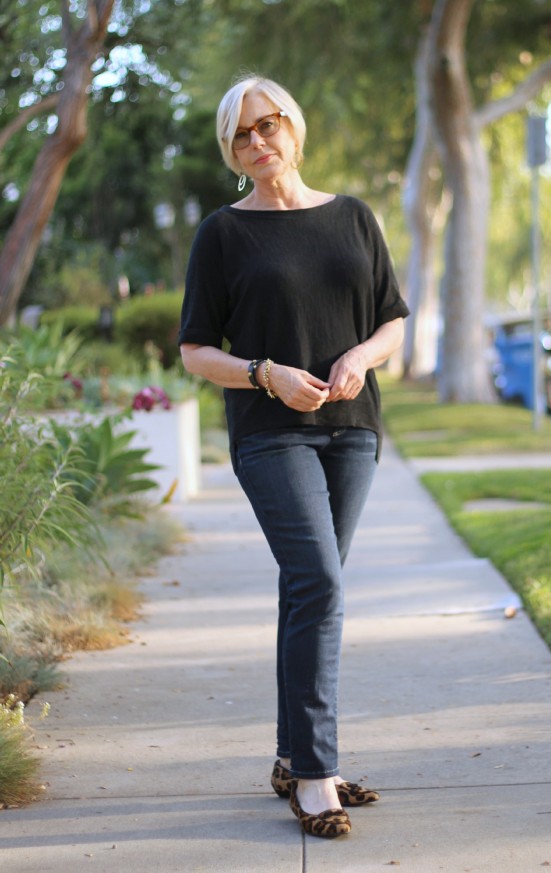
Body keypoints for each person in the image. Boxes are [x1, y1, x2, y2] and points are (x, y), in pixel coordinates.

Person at [179, 75, 409, 840]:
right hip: (269, 431)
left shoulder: (352, 218)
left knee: (308, 590)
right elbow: (195, 351)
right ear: (232, 151)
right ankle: (316, 774)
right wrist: (262, 373)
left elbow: (391, 323)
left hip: (353, 433)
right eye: (241, 135)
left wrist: (362, 358)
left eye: (268, 124)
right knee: (318, 580)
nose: (258, 142)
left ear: (294, 128)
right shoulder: (223, 232)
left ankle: (291, 756)